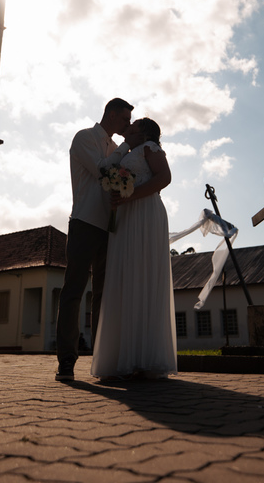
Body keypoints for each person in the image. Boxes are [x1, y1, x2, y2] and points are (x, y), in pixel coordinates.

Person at [91, 117, 177, 382]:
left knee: (144, 276)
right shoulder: (127, 151)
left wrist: (132, 194)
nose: (128, 128)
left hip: (146, 214)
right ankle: (122, 355)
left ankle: (146, 356)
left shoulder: (150, 148)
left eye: (134, 125)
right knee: (125, 279)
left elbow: (164, 177)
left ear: (145, 132)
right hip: (127, 217)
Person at [55, 97, 133, 382]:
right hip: (85, 222)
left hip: (110, 227)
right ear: (111, 115)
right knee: (74, 289)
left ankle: (102, 360)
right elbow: (102, 169)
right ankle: (66, 360)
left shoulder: (116, 148)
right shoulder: (84, 138)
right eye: (125, 119)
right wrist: (126, 146)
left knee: (103, 295)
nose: (127, 125)